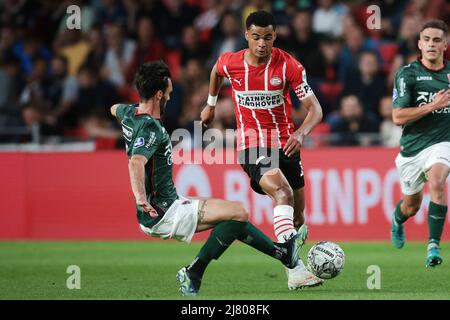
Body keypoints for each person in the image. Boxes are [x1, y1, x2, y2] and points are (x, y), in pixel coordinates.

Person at [111, 60, 305, 296]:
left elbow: (114, 108)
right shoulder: (150, 128)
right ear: (159, 94)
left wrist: (131, 117)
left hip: (166, 204)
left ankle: (281, 253)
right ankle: (194, 271)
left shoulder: (130, 113)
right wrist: (141, 198)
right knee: (239, 212)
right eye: (169, 93)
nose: (171, 98)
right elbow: (136, 162)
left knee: (233, 219)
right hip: (162, 211)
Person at [200, 10, 324, 289]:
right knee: (282, 192)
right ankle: (297, 269)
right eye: (256, 37)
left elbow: (315, 109)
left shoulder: (288, 66)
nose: (261, 44)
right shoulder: (232, 62)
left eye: (268, 37)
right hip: (252, 142)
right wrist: (210, 103)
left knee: (298, 217)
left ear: (275, 36)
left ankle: (294, 273)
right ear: (246, 35)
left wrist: (301, 133)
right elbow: (216, 71)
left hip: (286, 143)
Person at [391, 20, 450, 267]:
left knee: (437, 181)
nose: (431, 44)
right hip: (412, 150)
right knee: (411, 206)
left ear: (445, 44)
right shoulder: (408, 74)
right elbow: (397, 117)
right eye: (427, 39)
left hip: (442, 143)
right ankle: (397, 221)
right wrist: (433, 106)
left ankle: (433, 246)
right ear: (419, 44)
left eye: (437, 40)